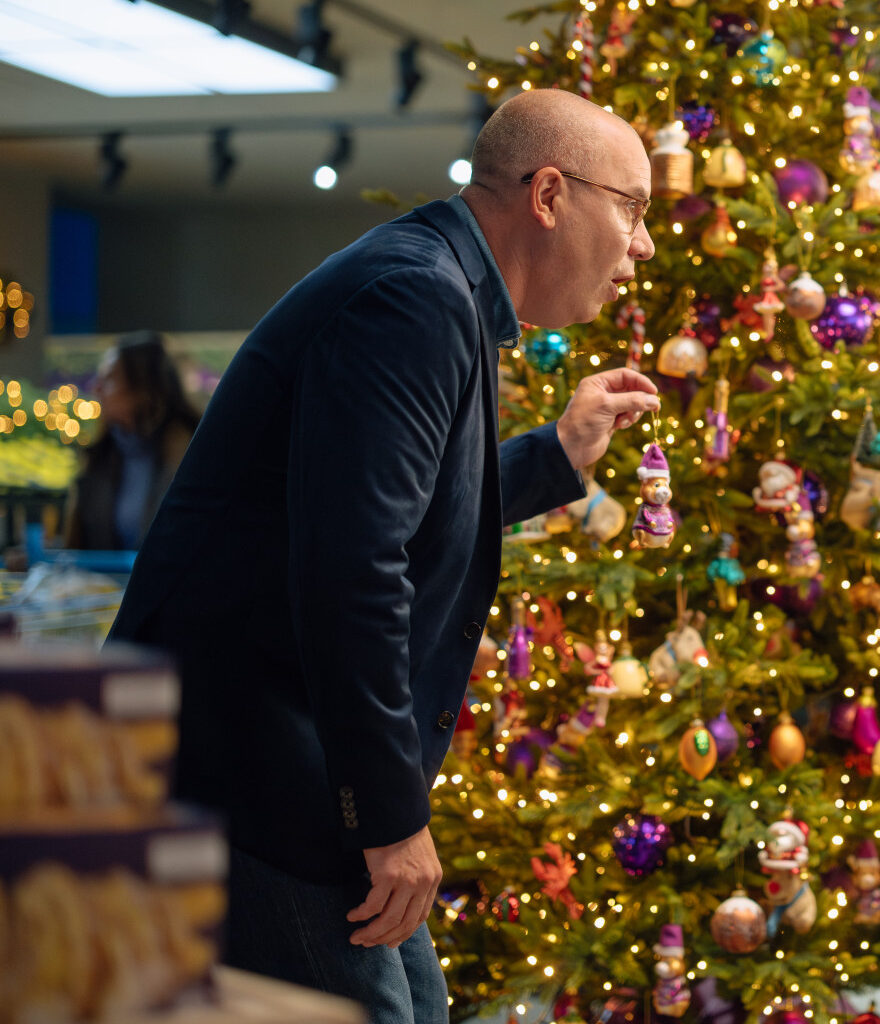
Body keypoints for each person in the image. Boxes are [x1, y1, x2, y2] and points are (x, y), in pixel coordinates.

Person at [105, 89, 661, 1024]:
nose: (641, 246)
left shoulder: (438, 284)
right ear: (549, 194)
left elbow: (385, 515)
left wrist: (556, 455)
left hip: (276, 757)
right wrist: (390, 816)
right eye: (633, 209)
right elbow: (353, 571)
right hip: (254, 766)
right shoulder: (415, 297)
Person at [64, 331, 199, 550]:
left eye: (110, 379)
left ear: (144, 388)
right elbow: (76, 548)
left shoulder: (194, 455)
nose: (96, 388)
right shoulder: (98, 457)